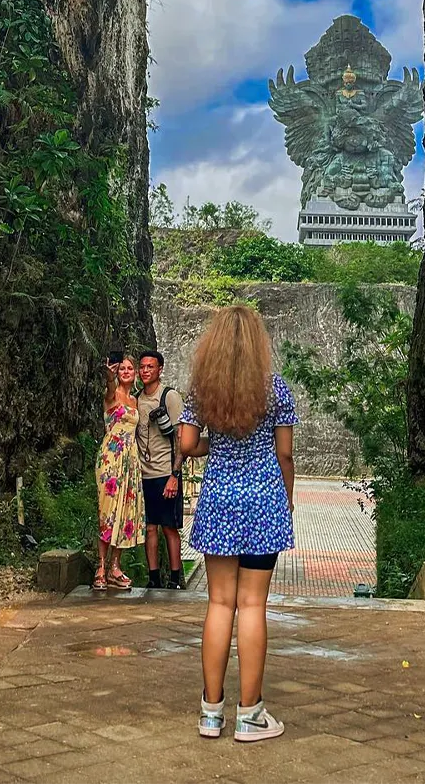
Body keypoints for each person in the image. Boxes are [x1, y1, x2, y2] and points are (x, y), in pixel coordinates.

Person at [179, 305, 297, 743]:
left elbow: (188, 444)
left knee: (219, 604)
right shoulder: (275, 390)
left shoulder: (201, 391)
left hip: (220, 502)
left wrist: (217, 441)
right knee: (252, 606)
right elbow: (284, 454)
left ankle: (211, 714)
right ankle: (251, 716)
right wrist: (286, 502)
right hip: (264, 499)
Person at [94, 355, 145, 591]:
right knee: (108, 512)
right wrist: (109, 376)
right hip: (111, 458)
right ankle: (101, 567)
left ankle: (116, 565)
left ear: (134, 373)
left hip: (130, 460)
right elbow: (109, 388)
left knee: (126, 514)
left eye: (129, 368)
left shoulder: (135, 400)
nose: (125, 371)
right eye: (122, 368)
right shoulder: (112, 395)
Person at [136, 350, 186, 589]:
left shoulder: (170, 397)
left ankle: (174, 579)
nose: (145, 371)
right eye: (142, 367)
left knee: (169, 526)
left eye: (150, 367)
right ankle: (153, 577)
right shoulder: (136, 399)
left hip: (166, 472)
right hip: (144, 473)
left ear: (160, 369)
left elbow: (181, 438)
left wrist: (175, 476)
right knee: (150, 527)